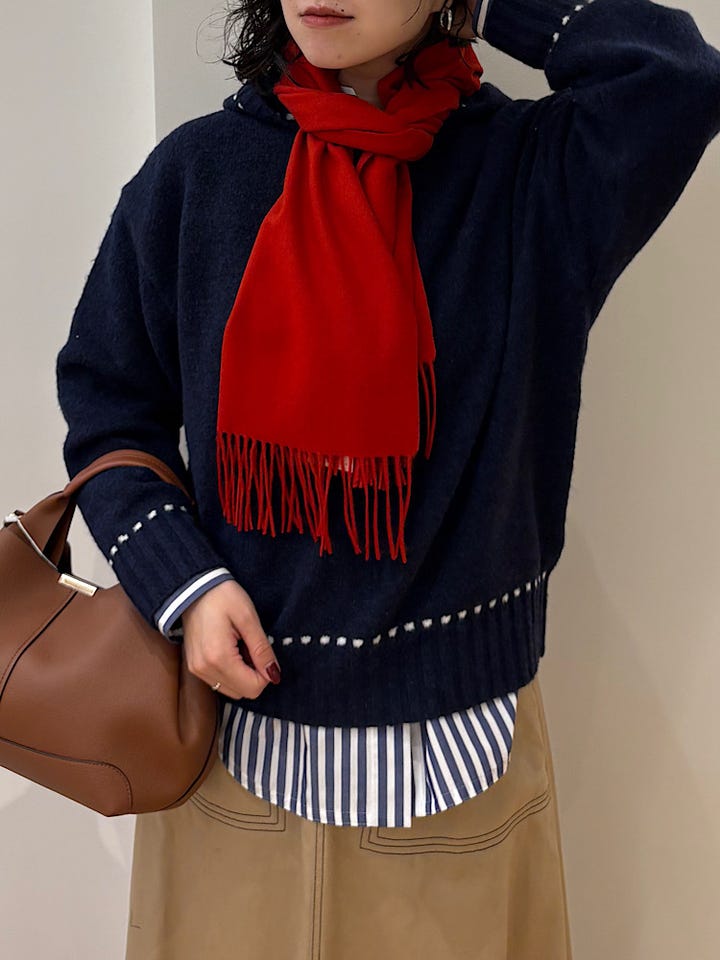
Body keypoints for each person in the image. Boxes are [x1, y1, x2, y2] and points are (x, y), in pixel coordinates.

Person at [55, 0, 720, 957]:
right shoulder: (197, 174)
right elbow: (108, 406)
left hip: (458, 772)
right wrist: (184, 585)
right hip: (229, 767)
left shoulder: (536, 173)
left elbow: (678, 79)